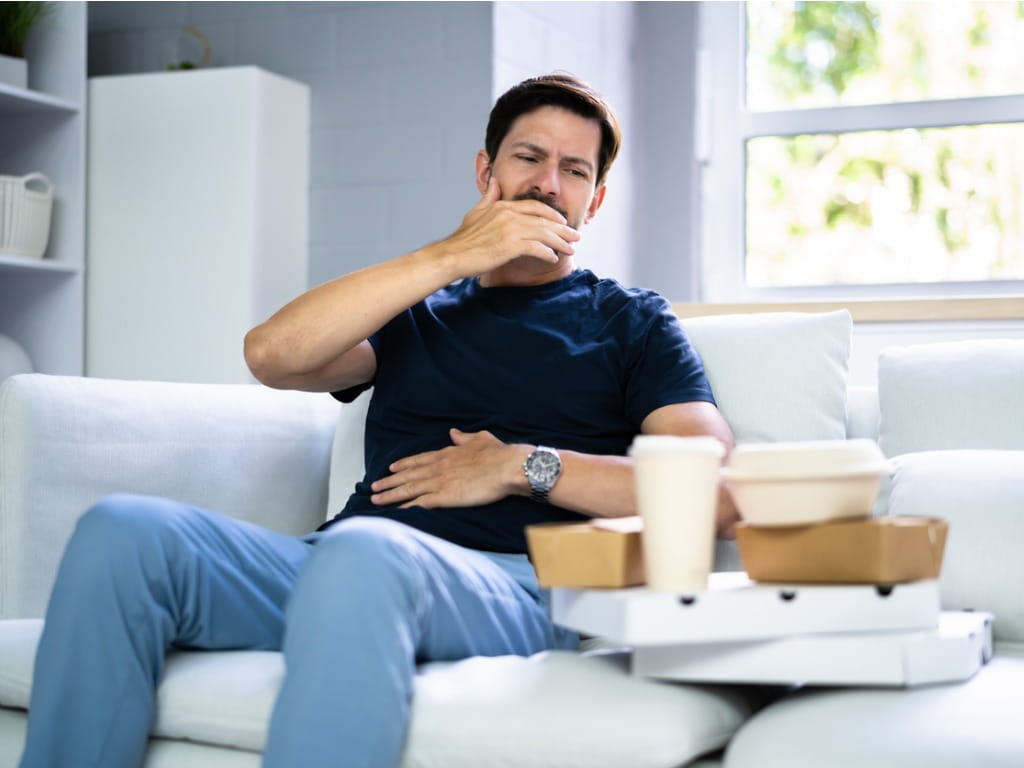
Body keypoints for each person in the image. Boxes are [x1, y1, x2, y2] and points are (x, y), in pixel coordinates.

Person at [20, 74, 737, 768]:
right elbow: (271, 355)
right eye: (528, 157)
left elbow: (712, 489)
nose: (549, 182)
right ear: (486, 171)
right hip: (336, 562)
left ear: (596, 198)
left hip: (512, 587)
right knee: (123, 533)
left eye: (573, 169)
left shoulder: (631, 320)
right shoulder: (419, 304)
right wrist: (451, 256)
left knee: (366, 555)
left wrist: (522, 464)